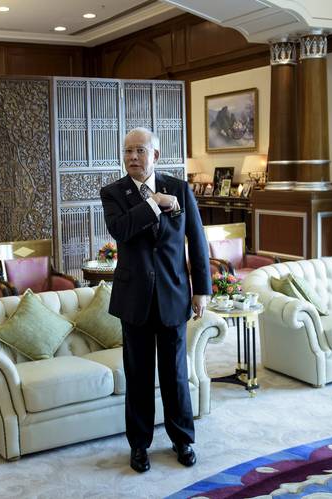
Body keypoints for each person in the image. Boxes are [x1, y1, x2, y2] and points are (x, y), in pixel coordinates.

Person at [100, 127, 211, 473]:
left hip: (174, 294)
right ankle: (139, 445)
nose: (132, 157)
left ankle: (182, 439)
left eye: (140, 150)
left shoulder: (179, 189)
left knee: (176, 373)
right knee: (138, 376)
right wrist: (153, 203)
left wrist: (202, 289)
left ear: (155, 155)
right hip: (134, 298)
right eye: (127, 151)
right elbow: (121, 230)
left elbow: (197, 239)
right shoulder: (113, 193)